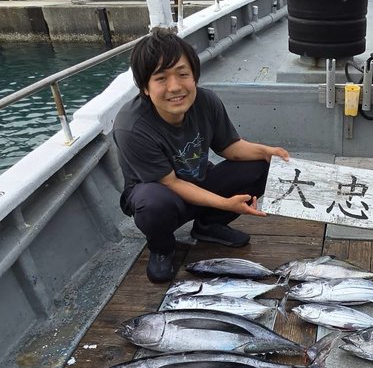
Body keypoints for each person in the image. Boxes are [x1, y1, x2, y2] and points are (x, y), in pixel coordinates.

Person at [113, 27, 288, 283]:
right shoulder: (131, 126)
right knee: (152, 201)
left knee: (261, 164)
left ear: (194, 75)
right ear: (145, 88)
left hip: (200, 183)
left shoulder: (206, 101)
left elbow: (230, 147)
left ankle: (208, 226)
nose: (175, 87)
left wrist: (267, 152)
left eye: (182, 74)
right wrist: (226, 203)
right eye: (161, 78)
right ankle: (162, 248)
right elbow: (170, 182)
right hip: (161, 198)